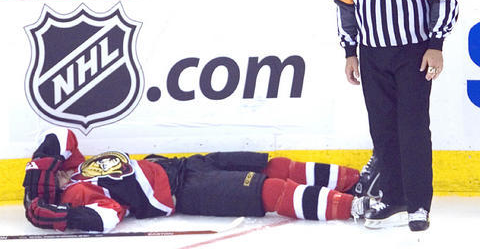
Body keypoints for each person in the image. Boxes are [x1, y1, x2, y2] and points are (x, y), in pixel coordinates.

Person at [332, 0, 458, 231]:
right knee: (383, 129)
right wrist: (349, 51)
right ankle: (392, 196)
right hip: (372, 55)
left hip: (412, 53)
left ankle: (418, 204)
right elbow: (344, 4)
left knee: (413, 127)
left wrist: (436, 44)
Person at [22, 128, 377, 233]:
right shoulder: (79, 193)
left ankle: (357, 181)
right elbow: (108, 216)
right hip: (186, 193)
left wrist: (46, 164)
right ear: (56, 185)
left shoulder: (76, 168)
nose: (64, 167)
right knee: (267, 191)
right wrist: (63, 217)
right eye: (57, 172)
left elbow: (62, 137)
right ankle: (355, 207)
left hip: (184, 166)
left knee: (272, 165)